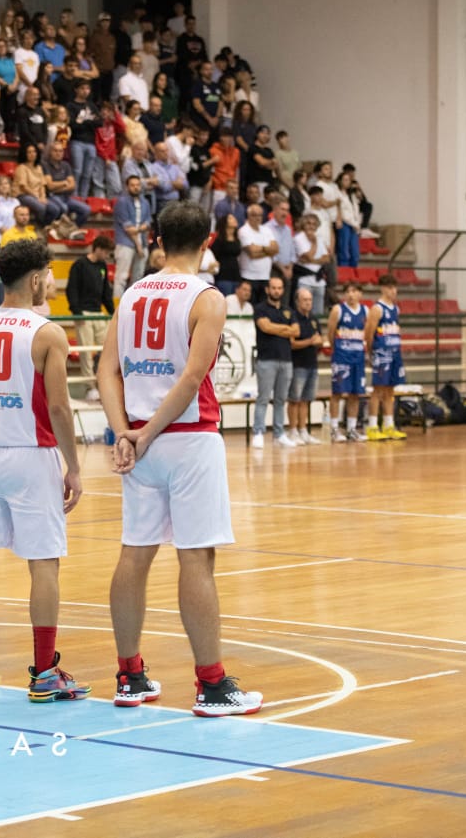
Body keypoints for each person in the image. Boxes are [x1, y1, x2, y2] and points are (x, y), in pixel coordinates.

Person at [97, 200, 263, 715]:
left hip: (139, 440)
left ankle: (130, 677)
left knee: (135, 553)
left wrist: (126, 431)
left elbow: (106, 372)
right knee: (197, 558)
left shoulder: (130, 295)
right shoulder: (207, 298)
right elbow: (192, 378)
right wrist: (145, 435)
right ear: (209, 241)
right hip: (188, 438)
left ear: (158, 240)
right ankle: (212, 684)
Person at [0, 239, 86, 701]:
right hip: (30, 455)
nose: (50, 281)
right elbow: (61, 410)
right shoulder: (47, 333)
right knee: (43, 565)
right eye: (47, 274)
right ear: (35, 279)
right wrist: (75, 467)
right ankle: (45, 672)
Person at [251, 276, 299, 449]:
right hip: (266, 360)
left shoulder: (288, 310)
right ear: (267, 290)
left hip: (286, 360)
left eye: (279, 288)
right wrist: (285, 329)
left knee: (281, 399)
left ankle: (279, 433)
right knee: (263, 398)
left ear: (283, 290)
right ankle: (258, 432)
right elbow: (265, 327)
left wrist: (277, 328)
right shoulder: (260, 309)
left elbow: (296, 331)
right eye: (273, 288)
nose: (276, 291)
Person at [366, 274, 407, 441]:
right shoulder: (377, 308)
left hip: (395, 351)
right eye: (390, 288)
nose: (393, 291)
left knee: (390, 389)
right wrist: (371, 351)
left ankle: (389, 425)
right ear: (383, 288)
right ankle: (373, 426)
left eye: (395, 287)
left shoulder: (395, 308)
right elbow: (369, 332)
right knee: (378, 389)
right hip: (382, 352)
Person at [327, 281, 368, 443]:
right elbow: (330, 333)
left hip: (358, 357)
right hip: (342, 357)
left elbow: (368, 331)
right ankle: (334, 429)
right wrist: (337, 348)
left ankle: (351, 429)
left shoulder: (365, 311)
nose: (351, 294)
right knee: (337, 393)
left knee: (355, 394)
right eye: (348, 291)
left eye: (354, 291)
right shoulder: (338, 310)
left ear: (360, 294)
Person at [66, 235, 115, 374]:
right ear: (98, 249)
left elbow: (106, 292)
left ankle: (102, 379)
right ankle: (89, 386)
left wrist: (112, 312)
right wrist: (77, 312)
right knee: (85, 352)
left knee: (107, 349)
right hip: (84, 314)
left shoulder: (102, 266)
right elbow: (72, 289)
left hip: (99, 314)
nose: (106, 256)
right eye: (105, 252)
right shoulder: (79, 265)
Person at [287, 286, 324, 445]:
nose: (308, 303)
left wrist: (318, 342)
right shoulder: (293, 318)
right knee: (294, 399)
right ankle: (293, 430)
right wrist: (310, 341)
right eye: (305, 300)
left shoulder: (314, 319)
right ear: (297, 301)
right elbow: (292, 343)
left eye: (310, 300)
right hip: (297, 364)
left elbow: (320, 339)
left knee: (306, 400)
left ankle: (303, 430)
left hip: (312, 364)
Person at [112, 174, 152, 298]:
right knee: (121, 277)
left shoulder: (145, 202)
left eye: (138, 185)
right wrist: (138, 245)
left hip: (143, 242)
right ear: (127, 187)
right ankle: (117, 307)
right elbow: (129, 229)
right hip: (126, 243)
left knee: (138, 279)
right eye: (132, 185)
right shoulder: (122, 203)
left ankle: (131, 306)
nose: (136, 188)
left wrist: (139, 230)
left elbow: (148, 222)